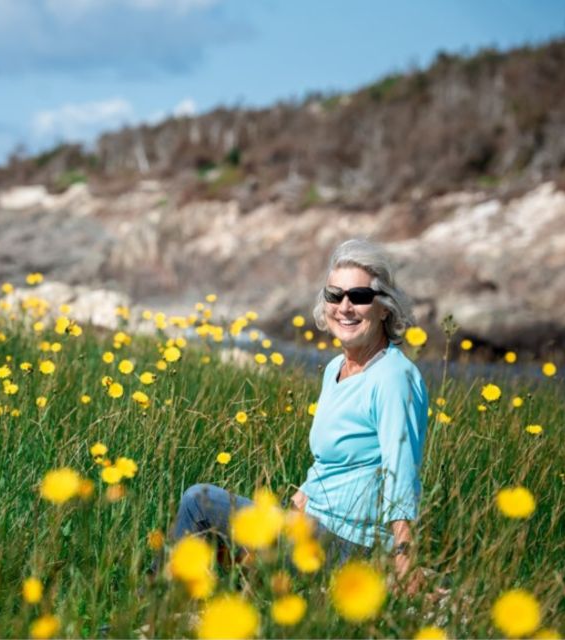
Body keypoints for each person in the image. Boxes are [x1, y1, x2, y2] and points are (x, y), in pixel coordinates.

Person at [168, 238, 429, 595]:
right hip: (310, 529)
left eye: (360, 297)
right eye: (335, 295)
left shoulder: (393, 378)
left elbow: (402, 472)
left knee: (200, 501)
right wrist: (292, 509)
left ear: (384, 308)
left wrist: (404, 557)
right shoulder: (337, 368)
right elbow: (328, 464)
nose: (346, 307)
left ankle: (161, 602)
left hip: (349, 547)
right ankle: (196, 597)